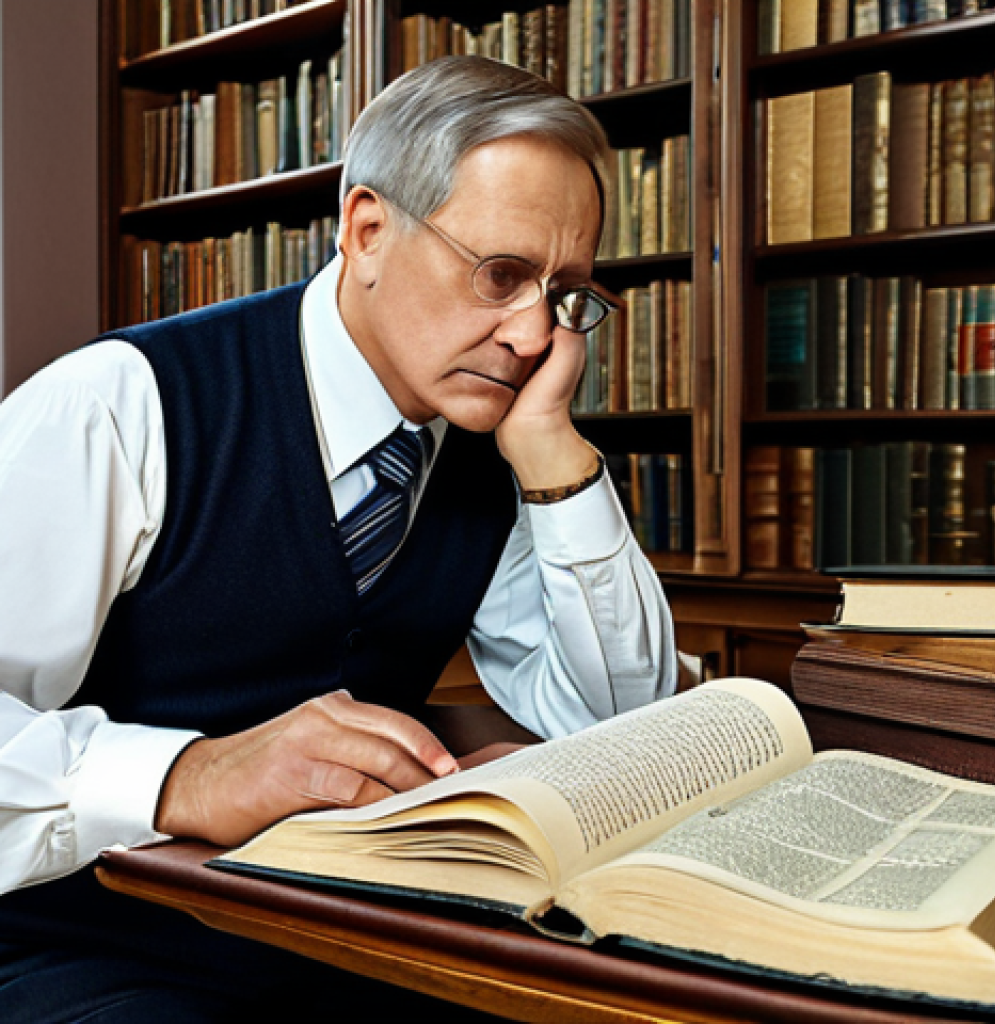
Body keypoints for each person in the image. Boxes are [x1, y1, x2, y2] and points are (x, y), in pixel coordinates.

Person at [0, 55, 693, 1021]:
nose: (535, 337)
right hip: (86, 953)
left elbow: (621, 727)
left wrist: (552, 451)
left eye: (565, 292)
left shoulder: (498, 447)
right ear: (368, 231)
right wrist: (187, 775)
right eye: (501, 275)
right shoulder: (115, 406)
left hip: (359, 946)